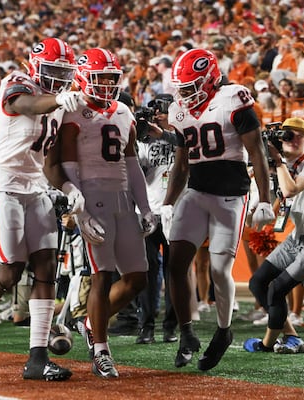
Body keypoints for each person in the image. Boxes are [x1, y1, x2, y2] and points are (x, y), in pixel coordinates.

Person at [0, 38, 84, 381]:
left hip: (36, 187)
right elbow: (27, 104)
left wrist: (68, 187)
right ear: (36, 66)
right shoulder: (17, 83)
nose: (60, 79)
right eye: (54, 70)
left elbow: (51, 160)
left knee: (47, 267)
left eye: (65, 73)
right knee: (11, 270)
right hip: (3, 184)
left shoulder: (61, 103)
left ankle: (37, 357)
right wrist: (58, 98)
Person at [162, 48, 274, 371]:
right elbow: (181, 165)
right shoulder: (179, 111)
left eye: (191, 86)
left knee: (219, 270)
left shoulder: (234, 97)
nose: (185, 94)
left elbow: (257, 152)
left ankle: (224, 331)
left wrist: (264, 198)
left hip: (230, 196)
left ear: (210, 78)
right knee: (175, 261)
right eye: (181, 88)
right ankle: (186, 333)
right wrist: (168, 202)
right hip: (197, 192)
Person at [58, 47, 155, 378]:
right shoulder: (73, 110)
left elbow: (132, 163)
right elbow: (68, 163)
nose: (106, 85)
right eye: (100, 78)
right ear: (84, 77)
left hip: (123, 197)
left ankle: (89, 321)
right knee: (101, 274)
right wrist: (79, 206)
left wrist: (145, 207)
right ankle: (101, 349)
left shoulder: (124, 111)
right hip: (93, 198)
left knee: (138, 278)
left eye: (112, 79)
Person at [244, 117, 304, 353]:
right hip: (299, 236)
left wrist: (276, 160)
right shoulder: (277, 163)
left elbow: (290, 189)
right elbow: (274, 194)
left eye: (299, 135)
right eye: (288, 134)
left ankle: (266, 344)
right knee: (258, 283)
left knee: (277, 289)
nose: (293, 139)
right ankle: (292, 336)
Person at [135, 93, 178, 344]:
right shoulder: (144, 139)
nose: (157, 115)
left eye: (161, 110)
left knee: (176, 273)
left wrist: (161, 133)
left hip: (177, 211)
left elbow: (187, 145)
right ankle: (146, 326)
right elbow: (138, 171)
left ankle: (171, 327)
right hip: (149, 211)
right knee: (148, 272)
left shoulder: (183, 133)